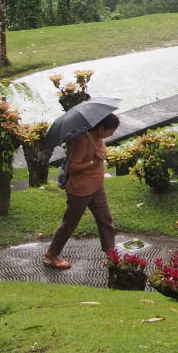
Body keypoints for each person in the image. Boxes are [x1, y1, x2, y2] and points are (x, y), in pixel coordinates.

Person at [43, 113, 120, 269]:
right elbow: (72, 167)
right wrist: (93, 162)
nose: (111, 134)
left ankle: (111, 254)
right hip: (81, 190)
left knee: (106, 221)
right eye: (110, 131)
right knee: (70, 223)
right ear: (100, 128)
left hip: (96, 187)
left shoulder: (97, 138)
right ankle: (51, 255)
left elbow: (99, 155)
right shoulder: (82, 140)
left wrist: (101, 156)